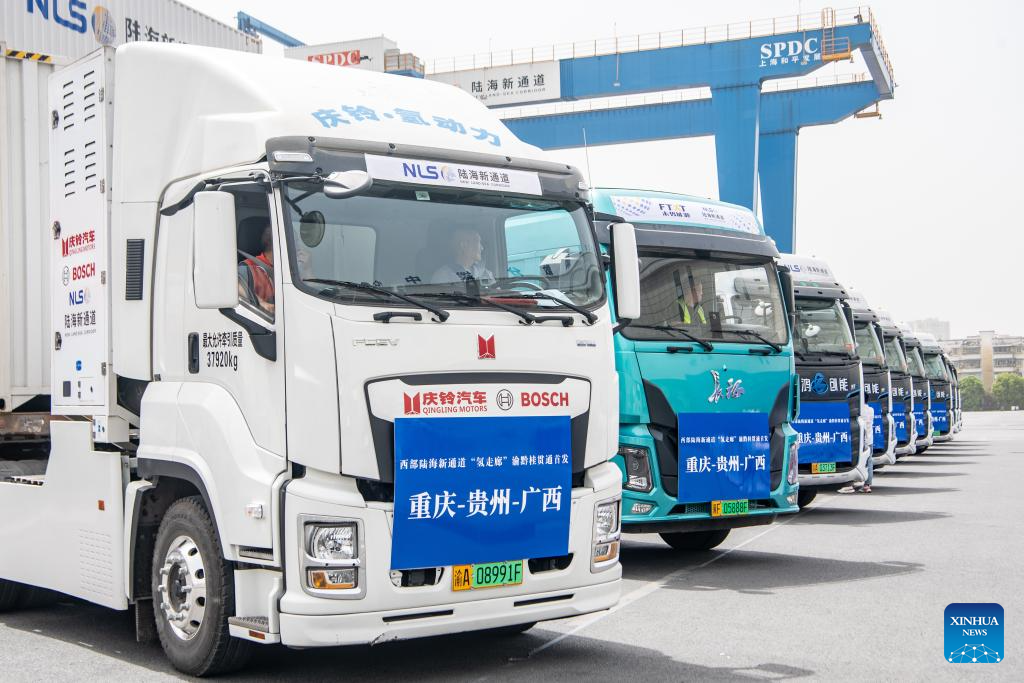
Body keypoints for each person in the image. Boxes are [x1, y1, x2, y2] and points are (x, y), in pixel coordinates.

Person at [239, 221, 275, 316]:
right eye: (293, 243)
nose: (297, 248)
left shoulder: (291, 271)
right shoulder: (248, 268)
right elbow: (230, 285)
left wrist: (306, 269)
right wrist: (260, 302)